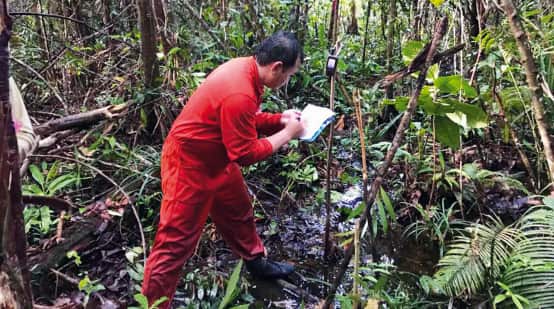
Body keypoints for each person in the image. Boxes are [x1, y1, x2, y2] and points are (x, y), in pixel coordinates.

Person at [142, 31, 306, 307]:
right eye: (288, 75)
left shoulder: (245, 69)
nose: (286, 81)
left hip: (217, 158)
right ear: (276, 66)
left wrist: (279, 120)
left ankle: (256, 263)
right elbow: (243, 153)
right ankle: (153, 304)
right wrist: (287, 134)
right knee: (174, 243)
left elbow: (243, 121)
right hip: (189, 164)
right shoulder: (240, 90)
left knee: (238, 211)